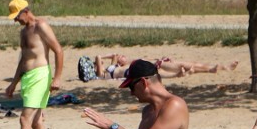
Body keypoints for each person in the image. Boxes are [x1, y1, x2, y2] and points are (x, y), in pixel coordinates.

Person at [0, 0, 64, 129]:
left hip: (41, 76)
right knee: (36, 123)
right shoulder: (23, 32)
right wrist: (13, 83)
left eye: (17, 16)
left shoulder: (41, 26)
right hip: (28, 78)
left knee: (25, 119)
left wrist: (57, 78)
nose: (15, 20)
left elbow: (58, 50)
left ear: (26, 11)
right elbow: (24, 59)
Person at [95, 53, 236, 80]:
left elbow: (114, 54)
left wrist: (116, 59)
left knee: (184, 64)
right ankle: (178, 75)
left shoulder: (113, 66)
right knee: (178, 66)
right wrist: (99, 59)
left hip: (146, 65)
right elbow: (98, 57)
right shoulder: (104, 74)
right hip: (138, 72)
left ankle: (214, 69)